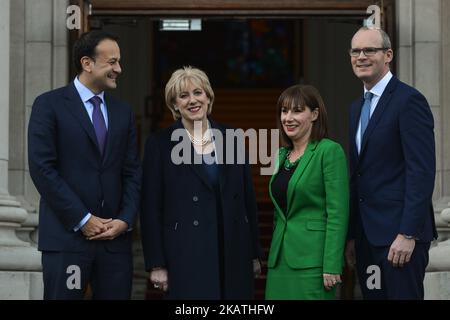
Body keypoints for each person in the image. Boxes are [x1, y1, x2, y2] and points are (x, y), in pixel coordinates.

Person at [28, 30, 141, 299]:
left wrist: (125, 220)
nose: (119, 69)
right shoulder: (49, 105)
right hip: (67, 240)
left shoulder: (123, 112)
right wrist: (83, 219)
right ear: (87, 63)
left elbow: (132, 171)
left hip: (114, 244)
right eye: (112, 62)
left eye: (119, 62)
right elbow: (42, 168)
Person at [140, 66, 262, 299]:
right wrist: (156, 264)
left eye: (198, 93)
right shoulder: (159, 144)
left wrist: (254, 253)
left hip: (232, 250)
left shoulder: (232, 137)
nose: (192, 100)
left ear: (208, 97)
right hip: (186, 251)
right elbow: (150, 209)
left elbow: (247, 200)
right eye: (183, 96)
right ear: (174, 104)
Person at [345, 27, 437, 300]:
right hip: (367, 239)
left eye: (369, 50)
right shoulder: (356, 108)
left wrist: (408, 233)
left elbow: (421, 171)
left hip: (400, 240)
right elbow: (359, 175)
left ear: (388, 55)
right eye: (355, 51)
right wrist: (352, 235)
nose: (361, 56)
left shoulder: (409, 101)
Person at [265, 84, 349, 300]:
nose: (288, 117)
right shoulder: (281, 155)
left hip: (314, 262)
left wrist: (332, 263)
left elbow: (338, 213)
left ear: (314, 114)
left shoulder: (329, 151)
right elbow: (279, 213)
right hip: (279, 262)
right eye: (284, 111)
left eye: (297, 110)